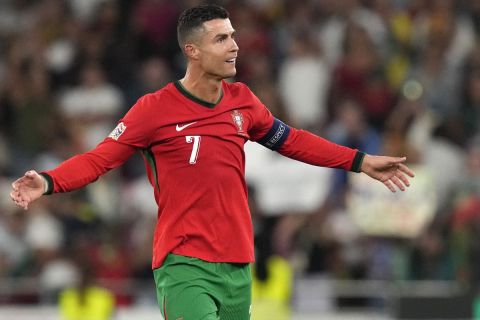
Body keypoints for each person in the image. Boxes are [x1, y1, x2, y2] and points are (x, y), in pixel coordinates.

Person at [10, 4, 414, 320]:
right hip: (184, 262)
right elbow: (100, 159)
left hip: (238, 264)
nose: (235, 46)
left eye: (233, 36)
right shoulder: (154, 110)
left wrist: (359, 161)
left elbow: (291, 140)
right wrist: (47, 181)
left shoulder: (243, 101)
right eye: (222, 39)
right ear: (193, 50)